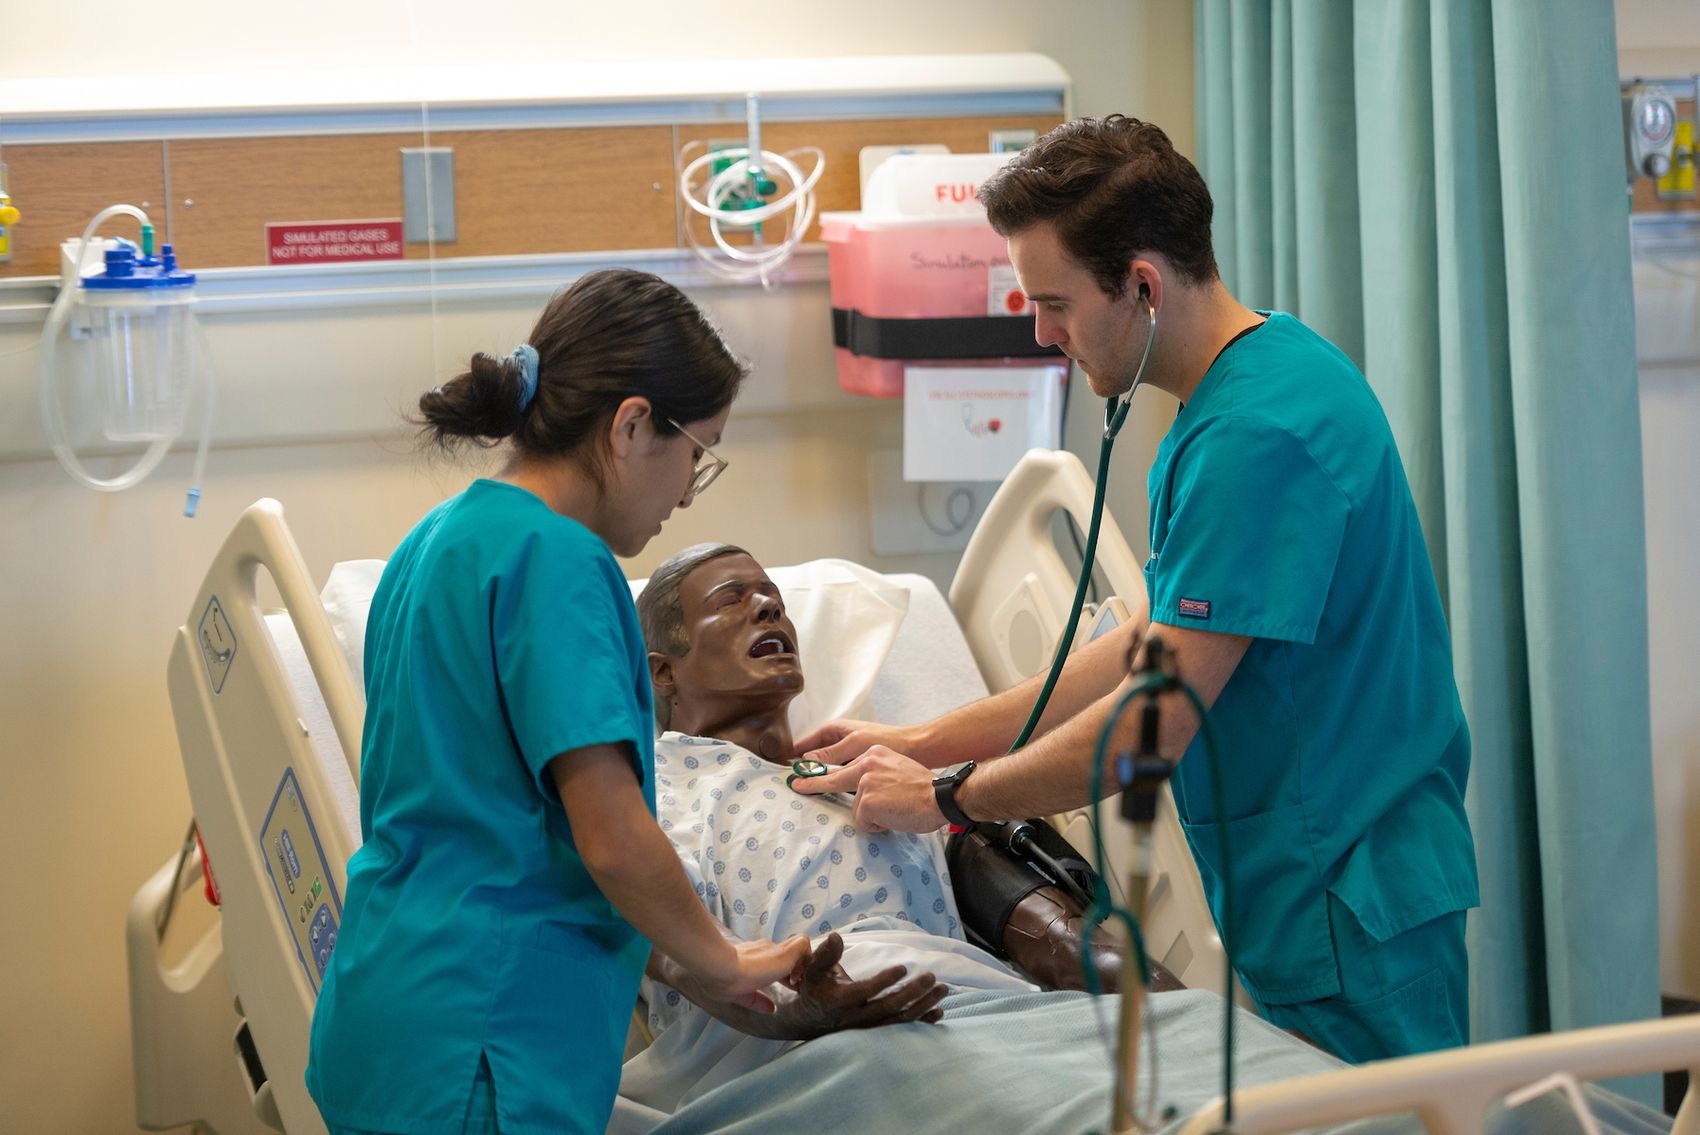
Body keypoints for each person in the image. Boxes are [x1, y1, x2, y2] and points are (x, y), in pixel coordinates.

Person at [791, 116, 1480, 1065]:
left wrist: (948, 797)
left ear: (1143, 286)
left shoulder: (1257, 439)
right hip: (1318, 881)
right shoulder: (1252, 385)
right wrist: (918, 739)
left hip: (1349, 896)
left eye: (1057, 304)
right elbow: (1143, 646)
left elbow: (1151, 725)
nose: (1043, 332)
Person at [309, 269, 844, 1135]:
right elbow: (614, 838)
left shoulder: (433, 540)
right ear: (633, 426)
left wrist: (681, 963)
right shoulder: (561, 561)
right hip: (487, 1041)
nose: (684, 492)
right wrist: (723, 958)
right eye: (695, 456)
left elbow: (482, 809)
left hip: (393, 1013)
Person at [634, 541, 1162, 1002]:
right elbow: (657, 938)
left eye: (774, 596)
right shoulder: (654, 788)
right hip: (798, 1025)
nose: (769, 606)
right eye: (731, 599)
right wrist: (793, 1010)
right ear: (663, 670)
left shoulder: (885, 780)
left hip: (974, 1001)